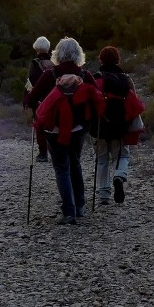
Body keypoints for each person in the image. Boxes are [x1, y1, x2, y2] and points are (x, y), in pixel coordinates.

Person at [34, 37, 105, 224]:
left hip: (54, 129)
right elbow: (97, 99)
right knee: (75, 163)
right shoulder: (85, 75)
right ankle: (80, 206)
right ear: (78, 54)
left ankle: (69, 212)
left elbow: (32, 98)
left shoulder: (49, 74)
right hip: (78, 128)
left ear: (58, 53)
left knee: (61, 168)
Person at [92, 46, 146, 205]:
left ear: (100, 60)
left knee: (101, 160)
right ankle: (119, 176)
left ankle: (103, 194)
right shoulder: (126, 79)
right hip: (120, 127)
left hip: (100, 126)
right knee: (122, 155)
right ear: (118, 60)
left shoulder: (96, 79)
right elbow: (134, 102)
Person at [24, 36, 54, 162]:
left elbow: (29, 83)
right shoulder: (54, 62)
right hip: (53, 97)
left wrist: (26, 100)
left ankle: (42, 153)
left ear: (36, 48)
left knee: (39, 125)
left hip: (39, 99)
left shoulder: (35, 63)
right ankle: (54, 150)